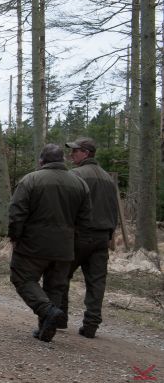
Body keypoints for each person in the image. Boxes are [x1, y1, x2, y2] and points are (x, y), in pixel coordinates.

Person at [8, 143, 92, 342]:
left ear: (41, 161)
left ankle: (47, 311)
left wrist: (15, 236)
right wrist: (74, 242)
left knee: (22, 278)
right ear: (62, 160)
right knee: (55, 287)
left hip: (32, 245)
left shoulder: (30, 180)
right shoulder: (80, 184)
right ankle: (47, 330)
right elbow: (86, 219)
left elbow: (16, 213)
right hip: (65, 246)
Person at [62, 138, 119, 338]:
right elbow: (115, 209)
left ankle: (59, 318)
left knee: (60, 275)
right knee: (96, 282)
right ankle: (91, 324)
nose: (71, 155)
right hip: (102, 237)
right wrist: (110, 233)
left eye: (75, 151)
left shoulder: (75, 175)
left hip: (79, 235)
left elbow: (67, 207)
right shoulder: (107, 178)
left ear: (86, 153)